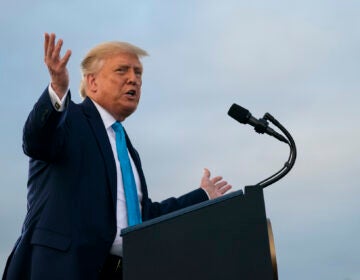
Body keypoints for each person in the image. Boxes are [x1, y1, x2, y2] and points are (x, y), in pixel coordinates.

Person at [2, 33, 232, 280]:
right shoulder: (70, 119)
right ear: (92, 82)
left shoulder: (127, 150)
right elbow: (37, 140)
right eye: (122, 71)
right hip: (61, 269)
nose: (133, 79)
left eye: (138, 73)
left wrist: (203, 196)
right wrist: (57, 90)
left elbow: (142, 220)